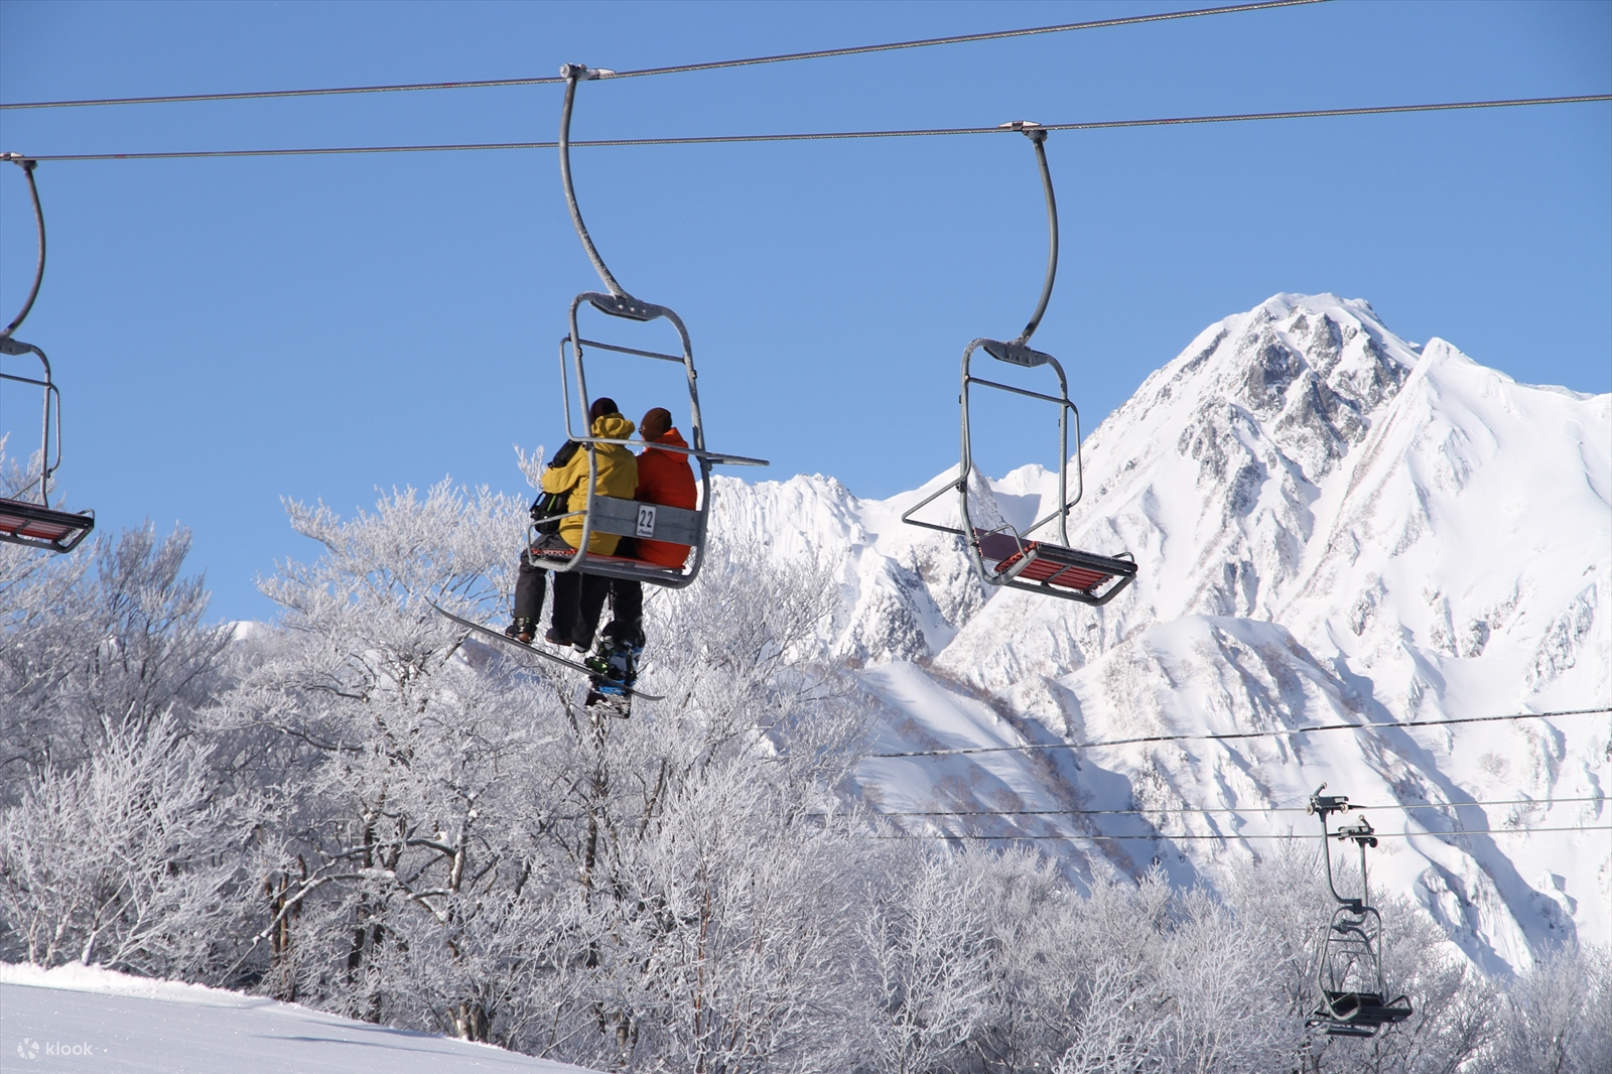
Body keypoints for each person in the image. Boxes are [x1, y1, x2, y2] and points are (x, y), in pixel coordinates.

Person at [507, 397, 637, 652]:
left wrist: (558, 463)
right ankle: (564, 633)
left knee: (531, 560)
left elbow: (552, 484)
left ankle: (524, 627)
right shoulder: (629, 459)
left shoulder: (588, 451)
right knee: (568, 567)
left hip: (578, 535)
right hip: (609, 542)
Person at [595, 406, 697, 667]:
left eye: (642, 431)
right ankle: (628, 631)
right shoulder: (682, 462)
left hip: (653, 549)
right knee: (623, 550)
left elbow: (624, 495)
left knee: (615, 549)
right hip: (678, 550)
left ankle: (623, 632)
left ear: (649, 433)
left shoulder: (648, 462)